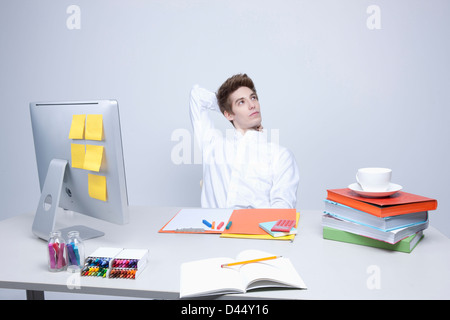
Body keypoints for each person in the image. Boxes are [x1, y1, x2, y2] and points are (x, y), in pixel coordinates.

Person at [189, 73, 299, 209]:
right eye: (241, 102)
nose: (252, 105)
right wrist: (225, 107)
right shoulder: (214, 146)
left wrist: (234, 110)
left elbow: (283, 209)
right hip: (214, 228)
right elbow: (197, 96)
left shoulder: (280, 156)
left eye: (253, 98)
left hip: (257, 229)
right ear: (228, 115)